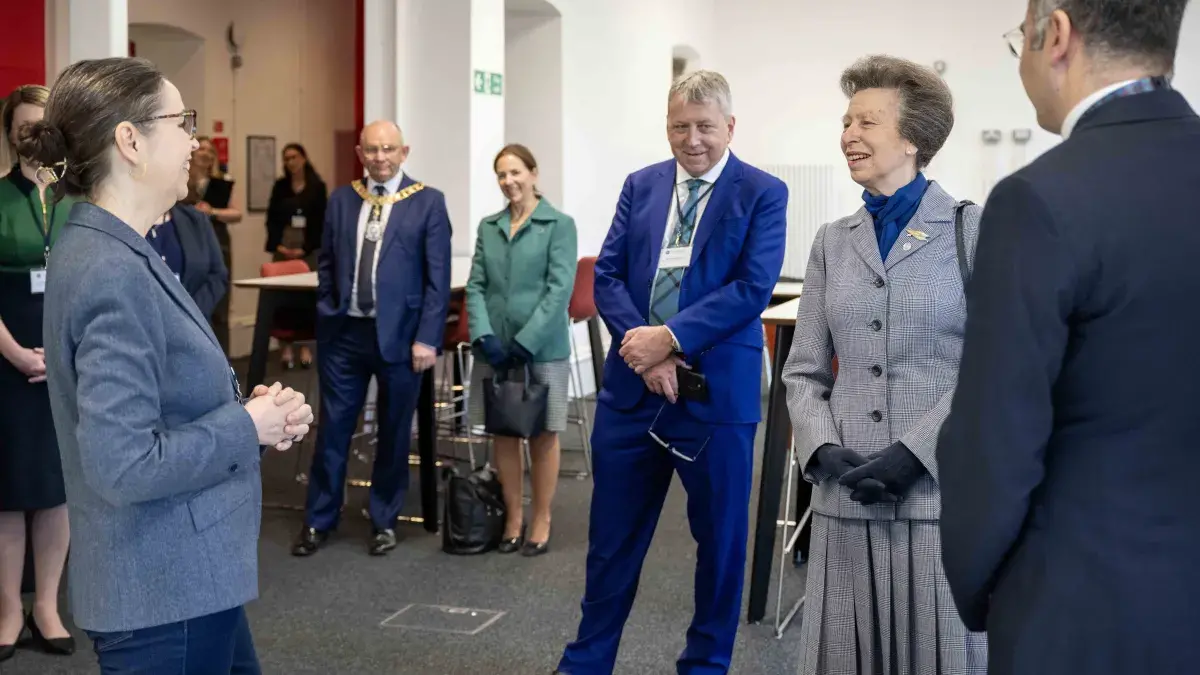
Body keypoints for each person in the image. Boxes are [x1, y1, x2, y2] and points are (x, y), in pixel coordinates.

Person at [26, 56, 313, 673]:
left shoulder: (114, 245)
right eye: (181, 121)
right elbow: (124, 463)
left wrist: (251, 416)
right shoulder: (110, 268)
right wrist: (248, 426)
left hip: (189, 576)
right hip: (163, 587)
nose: (195, 140)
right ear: (129, 140)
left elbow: (161, 404)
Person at [936, 2, 1198, 674]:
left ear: (1054, 35)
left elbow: (994, 442)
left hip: (1081, 608)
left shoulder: (1040, 201)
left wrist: (987, 590)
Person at [557, 70, 787, 675]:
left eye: (705, 127)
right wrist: (646, 349)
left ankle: (706, 665)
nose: (692, 140)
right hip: (634, 393)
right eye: (679, 127)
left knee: (720, 546)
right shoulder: (642, 185)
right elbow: (607, 274)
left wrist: (671, 340)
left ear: (730, 127)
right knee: (611, 543)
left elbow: (751, 287)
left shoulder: (762, 192)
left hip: (715, 398)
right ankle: (586, 662)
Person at [781, 55, 986, 675]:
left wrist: (914, 454)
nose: (848, 136)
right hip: (846, 496)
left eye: (866, 122)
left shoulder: (969, 229)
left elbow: (992, 365)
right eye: (845, 122)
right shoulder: (830, 241)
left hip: (937, 497)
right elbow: (804, 370)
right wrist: (819, 452)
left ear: (913, 138)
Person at [293, 119, 452, 558]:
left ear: (404, 152)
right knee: (333, 429)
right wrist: (328, 309)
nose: (380, 157)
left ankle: (384, 520)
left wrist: (427, 339)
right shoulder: (343, 199)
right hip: (345, 334)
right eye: (372, 150)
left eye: (388, 149)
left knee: (395, 431)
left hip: (402, 339)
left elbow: (438, 281)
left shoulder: (428, 203)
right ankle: (319, 519)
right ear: (361, 154)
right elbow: (326, 263)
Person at [466, 143, 577, 556]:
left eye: (515, 172)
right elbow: (476, 285)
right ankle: (513, 515)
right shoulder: (488, 226)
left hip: (542, 349)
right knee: (504, 432)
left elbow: (558, 289)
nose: (509, 181)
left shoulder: (559, 224)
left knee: (543, 433)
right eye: (501, 175)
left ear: (533, 173)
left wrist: (526, 342)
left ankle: (542, 515)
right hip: (494, 349)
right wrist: (485, 336)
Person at [0, 84, 75, 663]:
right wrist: (20, 354)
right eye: (23, 127)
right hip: (7, 360)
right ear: (9, 134)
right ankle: (8, 610)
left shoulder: (80, 201)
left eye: (42, 126)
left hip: (68, 361)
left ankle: (47, 605)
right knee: (9, 492)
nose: (33, 136)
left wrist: (63, 354)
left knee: (55, 491)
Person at [264, 142, 327, 369]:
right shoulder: (280, 186)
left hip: (307, 250)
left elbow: (321, 222)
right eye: (286, 158)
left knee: (306, 300)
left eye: (294, 157)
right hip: (283, 247)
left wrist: (306, 248)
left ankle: (305, 347)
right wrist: (277, 246)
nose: (290, 162)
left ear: (304, 158)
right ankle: (285, 348)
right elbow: (271, 218)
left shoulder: (317, 186)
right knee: (282, 300)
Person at [185, 136, 242, 353]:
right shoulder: (182, 179)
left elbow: (237, 213)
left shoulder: (222, 181)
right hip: (190, 243)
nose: (206, 153)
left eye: (211, 150)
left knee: (220, 304)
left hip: (218, 243)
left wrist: (213, 212)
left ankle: (223, 360)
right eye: (202, 149)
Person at [146, 201, 229, 320]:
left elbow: (217, 274)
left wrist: (190, 314)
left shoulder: (196, 219)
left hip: (194, 327)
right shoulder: (122, 224)